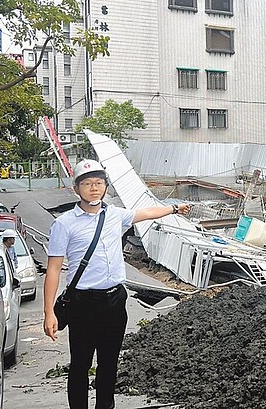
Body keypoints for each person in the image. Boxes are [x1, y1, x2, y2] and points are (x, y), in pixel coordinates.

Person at [43, 159, 190, 409]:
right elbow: (54, 269)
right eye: (87, 183)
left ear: (105, 187)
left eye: (99, 183)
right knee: (80, 364)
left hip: (114, 300)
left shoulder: (115, 216)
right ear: (75, 188)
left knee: (109, 364)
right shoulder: (64, 224)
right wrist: (48, 313)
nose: (94, 188)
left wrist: (174, 208)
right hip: (82, 303)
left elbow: (145, 213)